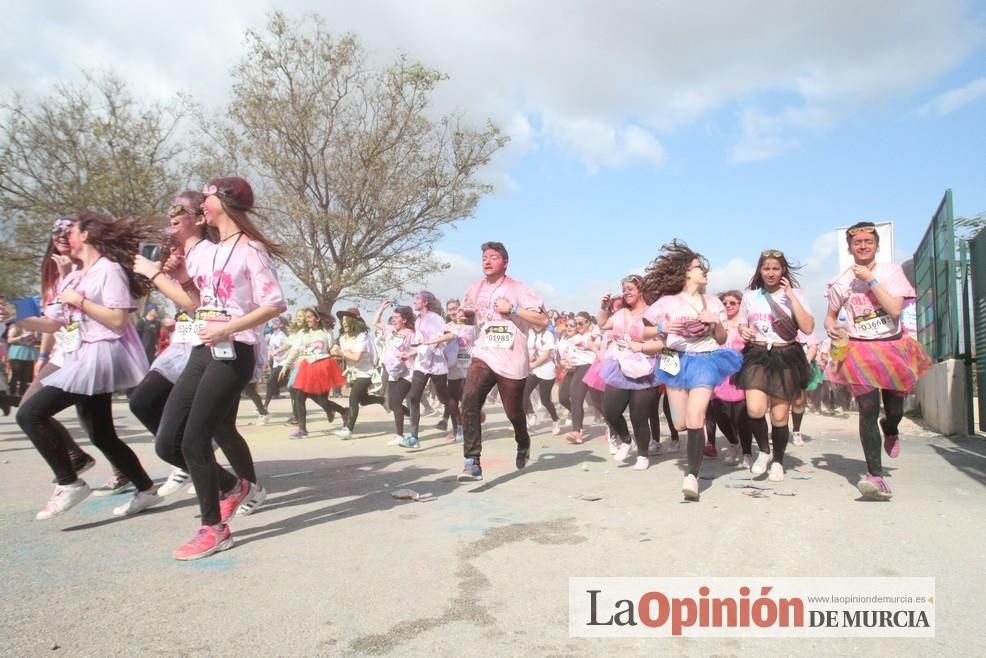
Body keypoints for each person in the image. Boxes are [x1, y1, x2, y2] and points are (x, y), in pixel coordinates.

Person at [136, 176, 285, 560]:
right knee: (168, 442)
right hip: (203, 350)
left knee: (194, 439)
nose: (202, 204)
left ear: (224, 202)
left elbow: (274, 304)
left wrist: (228, 327)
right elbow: (195, 301)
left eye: (207, 198)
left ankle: (215, 529)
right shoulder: (204, 251)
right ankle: (235, 487)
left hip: (234, 351)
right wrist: (165, 274)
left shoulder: (251, 250)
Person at [5, 212, 162, 519]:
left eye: (70, 232)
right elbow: (53, 323)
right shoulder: (75, 276)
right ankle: (145, 488)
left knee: (29, 413)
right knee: (101, 434)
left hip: (100, 356)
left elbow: (118, 320)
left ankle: (69, 482)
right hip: (81, 355)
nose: (64, 239)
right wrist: (13, 315)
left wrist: (80, 301)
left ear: (86, 235)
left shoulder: (109, 270)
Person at [824, 222, 932, 500]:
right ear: (849, 248)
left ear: (877, 246)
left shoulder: (891, 272)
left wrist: (871, 280)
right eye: (857, 242)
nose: (862, 246)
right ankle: (876, 475)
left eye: (868, 242)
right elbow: (830, 315)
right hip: (859, 351)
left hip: (892, 347)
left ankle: (891, 428)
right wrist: (831, 328)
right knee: (868, 408)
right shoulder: (840, 282)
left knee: (894, 408)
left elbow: (895, 309)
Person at [642, 240, 742, 501]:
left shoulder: (713, 302)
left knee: (696, 417)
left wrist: (716, 321)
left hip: (705, 361)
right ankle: (691, 451)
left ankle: (692, 476)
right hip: (675, 359)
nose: (704, 272)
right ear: (686, 272)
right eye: (699, 267)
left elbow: (721, 339)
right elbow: (643, 331)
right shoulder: (668, 302)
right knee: (680, 423)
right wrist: (664, 329)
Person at [457, 241, 548, 481]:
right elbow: (470, 320)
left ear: (505, 262)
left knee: (514, 412)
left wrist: (513, 308)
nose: (487, 261)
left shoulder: (518, 288)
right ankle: (472, 461)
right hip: (484, 353)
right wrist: (465, 317)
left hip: (511, 358)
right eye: (484, 257)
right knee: (469, 399)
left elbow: (542, 321)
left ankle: (523, 440)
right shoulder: (474, 289)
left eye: (493, 257)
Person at [733, 250, 815, 482]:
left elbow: (808, 328)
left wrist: (791, 296)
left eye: (775, 268)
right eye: (766, 268)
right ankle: (764, 451)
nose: (770, 273)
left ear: (783, 271)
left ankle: (778, 460)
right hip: (757, 354)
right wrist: (742, 329)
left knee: (780, 417)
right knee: (754, 410)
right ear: (760, 270)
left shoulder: (796, 294)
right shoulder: (750, 296)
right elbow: (741, 322)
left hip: (786, 355)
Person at [595, 275, 663, 470]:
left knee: (639, 415)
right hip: (620, 366)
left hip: (645, 367)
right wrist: (604, 307)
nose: (626, 292)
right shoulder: (622, 313)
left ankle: (643, 454)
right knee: (610, 410)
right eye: (624, 289)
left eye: (630, 288)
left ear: (641, 290)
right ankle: (626, 440)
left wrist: (642, 346)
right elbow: (602, 324)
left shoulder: (652, 312)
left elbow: (662, 337)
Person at [400, 291, 454, 448]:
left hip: (437, 364)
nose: (414, 301)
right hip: (422, 364)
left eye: (417, 299)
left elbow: (449, 335)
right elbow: (421, 344)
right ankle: (414, 438)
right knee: (413, 397)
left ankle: (458, 425)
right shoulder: (418, 320)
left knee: (444, 398)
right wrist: (409, 353)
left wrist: (431, 341)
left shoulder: (435, 318)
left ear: (425, 302)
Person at [283, 308, 347, 439]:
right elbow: (295, 350)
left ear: (317, 318)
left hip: (323, 365)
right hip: (307, 366)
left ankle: (343, 411)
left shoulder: (326, 332)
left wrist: (338, 349)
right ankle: (302, 429)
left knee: (322, 400)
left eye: (309, 317)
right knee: (299, 396)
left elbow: (331, 347)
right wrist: (286, 365)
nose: (307, 320)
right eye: (306, 317)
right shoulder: (303, 333)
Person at [332, 308, 386, 438]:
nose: (343, 322)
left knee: (353, 399)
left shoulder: (362, 337)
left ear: (353, 321)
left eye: (346, 320)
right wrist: (338, 351)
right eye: (342, 320)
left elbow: (356, 357)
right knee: (363, 400)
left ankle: (348, 429)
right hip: (353, 374)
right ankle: (383, 400)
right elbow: (333, 350)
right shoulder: (343, 338)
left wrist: (341, 353)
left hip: (365, 373)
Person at [374, 301, 416, 443]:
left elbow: (419, 349)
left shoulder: (410, 334)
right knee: (391, 403)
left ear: (404, 319)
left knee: (396, 403)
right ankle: (412, 414)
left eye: (397, 317)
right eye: (393, 317)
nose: (394, 319)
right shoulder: (391, 330)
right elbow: (376, 322)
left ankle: (399, 435)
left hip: (406, 373)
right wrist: (382, 308)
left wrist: (408, 355)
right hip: (393, 373)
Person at [557, 312, 600, 444]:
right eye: (576, 324)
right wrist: (563, 362)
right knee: (564, 398)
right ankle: (577, 425)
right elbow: (564, 358)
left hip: (588, 367)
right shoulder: (570, 340)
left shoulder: (593, 335)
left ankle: (611, 427)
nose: (577, 326)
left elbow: (599, 347)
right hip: (573, 369)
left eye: (580, 323)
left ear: (588, 322)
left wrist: (590, 345)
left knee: (596, 402)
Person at [523, 321, 562, 435]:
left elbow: (545, 356)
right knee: (523, 394)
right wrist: (529, 358)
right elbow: (527, 349)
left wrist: (532, 365)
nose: (537, 324)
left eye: (539, 322)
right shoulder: (529, 333)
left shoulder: (548, 335)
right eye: (534, 322)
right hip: (533, 370)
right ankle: (530, 414)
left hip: (546, 369)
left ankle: (555, 419)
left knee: (545, 400)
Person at [6, 325, 39, 404]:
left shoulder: (33, 328)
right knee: (16, 374)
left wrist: (34, 338)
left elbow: (37, 340)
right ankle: (12, 394)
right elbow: (9, 340)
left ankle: (23, 395)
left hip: (29, 352)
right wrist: (21, 337)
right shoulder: (15, 328)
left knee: (26, 375)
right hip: (17, 352)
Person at [264, 316, 290, 407]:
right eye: (273, 322)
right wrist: (268, 360)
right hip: (275, 362)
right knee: (275, 383)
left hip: (283, 362)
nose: (273, 324)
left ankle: (264, 407)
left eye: (276, 322)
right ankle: (289, 381)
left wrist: (283, 358)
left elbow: (290, 348)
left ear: (281, 324)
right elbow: (270, 349)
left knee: (270, 382)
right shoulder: (272, 336)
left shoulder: (283, 336)